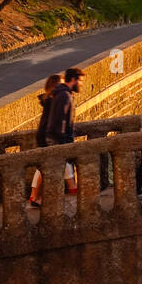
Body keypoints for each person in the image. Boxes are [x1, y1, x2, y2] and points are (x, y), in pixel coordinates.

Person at [44, 66, 84, 194]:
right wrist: (64, 140)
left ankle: (35, 195)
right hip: (58, 139)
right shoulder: (64, 95)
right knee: (58, 167)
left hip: (56, 137)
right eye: (80, 81)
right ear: (73, 79)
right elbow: (59, 120)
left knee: (48, 168)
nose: (81, 84)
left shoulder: (62, 93)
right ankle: (72, 189)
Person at [29, 73, 62, 207]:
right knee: (45, 166)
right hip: (46, 136)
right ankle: (35, 195)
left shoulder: (49, 99)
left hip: (44, 135)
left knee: (43, 167)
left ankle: (35, 195)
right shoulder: (52, 100)